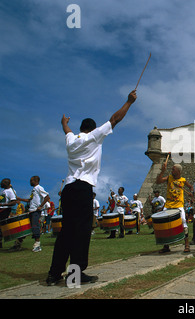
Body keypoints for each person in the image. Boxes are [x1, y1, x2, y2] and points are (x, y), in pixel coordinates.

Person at [46, 89, 137, 286]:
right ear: (93, 129)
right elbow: (114, 119)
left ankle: (54, 274)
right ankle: (75, 276)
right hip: (83, 188)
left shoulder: (71, 141)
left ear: (81, 128)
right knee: (81, 231)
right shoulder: (94, 137)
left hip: (68, 189)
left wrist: (64, 123)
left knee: (66, 231)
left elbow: (67, 132)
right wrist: (129, 102)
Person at [156, 163, 193, 253]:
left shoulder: (183, 180)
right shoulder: (169, 178)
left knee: (183, 222)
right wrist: (162, 171)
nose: (171, 171)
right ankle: (166, 246)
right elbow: (158, 181)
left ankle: (187, 245)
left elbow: (191, 187)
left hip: (179, 205)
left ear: (178, 171)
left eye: (173, 169)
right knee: (165, 225)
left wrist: (191, 193)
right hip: (168, 205)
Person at [15, 176, 50, 252]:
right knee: (26, 228)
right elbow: (29, 200)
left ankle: (37, 245)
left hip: (35, 211)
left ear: (35, 181)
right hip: (31, 211)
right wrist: (20, 199)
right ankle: (18, 243)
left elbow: (47, 197)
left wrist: (40, 206)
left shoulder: (39, 188)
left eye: (31, 181)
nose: (30, 182)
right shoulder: (34, 190)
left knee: (35, 227)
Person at [0, 178, 18, 248]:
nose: (1, 183)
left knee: (1, 226)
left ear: (7, 183)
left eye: (3, 182)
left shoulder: (10, 191)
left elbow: (14, 202)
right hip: (1, 209)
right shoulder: (3, 191)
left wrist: (3, 205)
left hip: (5, 210)